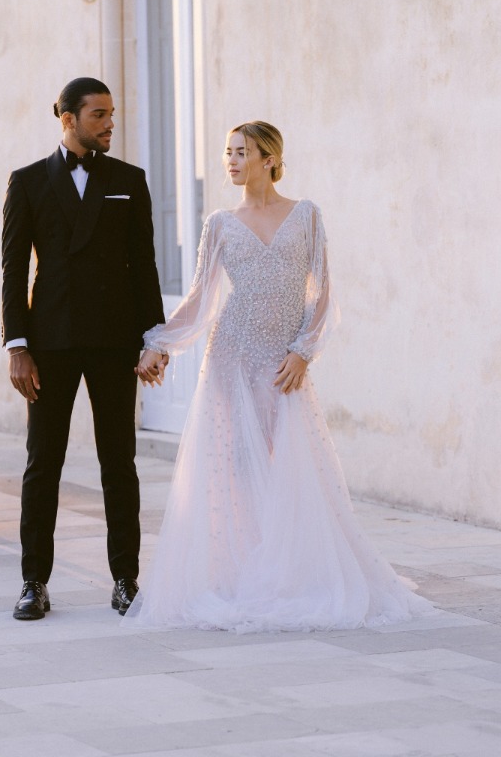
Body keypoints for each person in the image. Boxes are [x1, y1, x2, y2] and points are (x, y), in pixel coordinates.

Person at [129, 121, 432, 632]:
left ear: (268, 158)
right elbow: (203, 300)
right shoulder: (220, 224)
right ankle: (247, 569)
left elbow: (323, 294)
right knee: (240, 469)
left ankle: (292, 571)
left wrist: (302, 352)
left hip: (283, 364)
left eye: (240, 152)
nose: (230, 161)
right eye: (227, 152)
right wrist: (158, 344)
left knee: (293, 465)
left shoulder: (306, 215)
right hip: (231, 359)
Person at [2, 77, 164, 620]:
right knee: (41, 464)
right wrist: (17, 346)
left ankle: (125, 579)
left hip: (115, 343)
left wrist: (153, 340)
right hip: (50, 344)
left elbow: (145, 268)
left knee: (119, 461)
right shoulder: (26, 182)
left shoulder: (129, 180)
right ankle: (33, 582)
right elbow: (12, 271)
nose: (110, 124)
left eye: (112, 114)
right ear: (67, 119)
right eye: (99, 115)